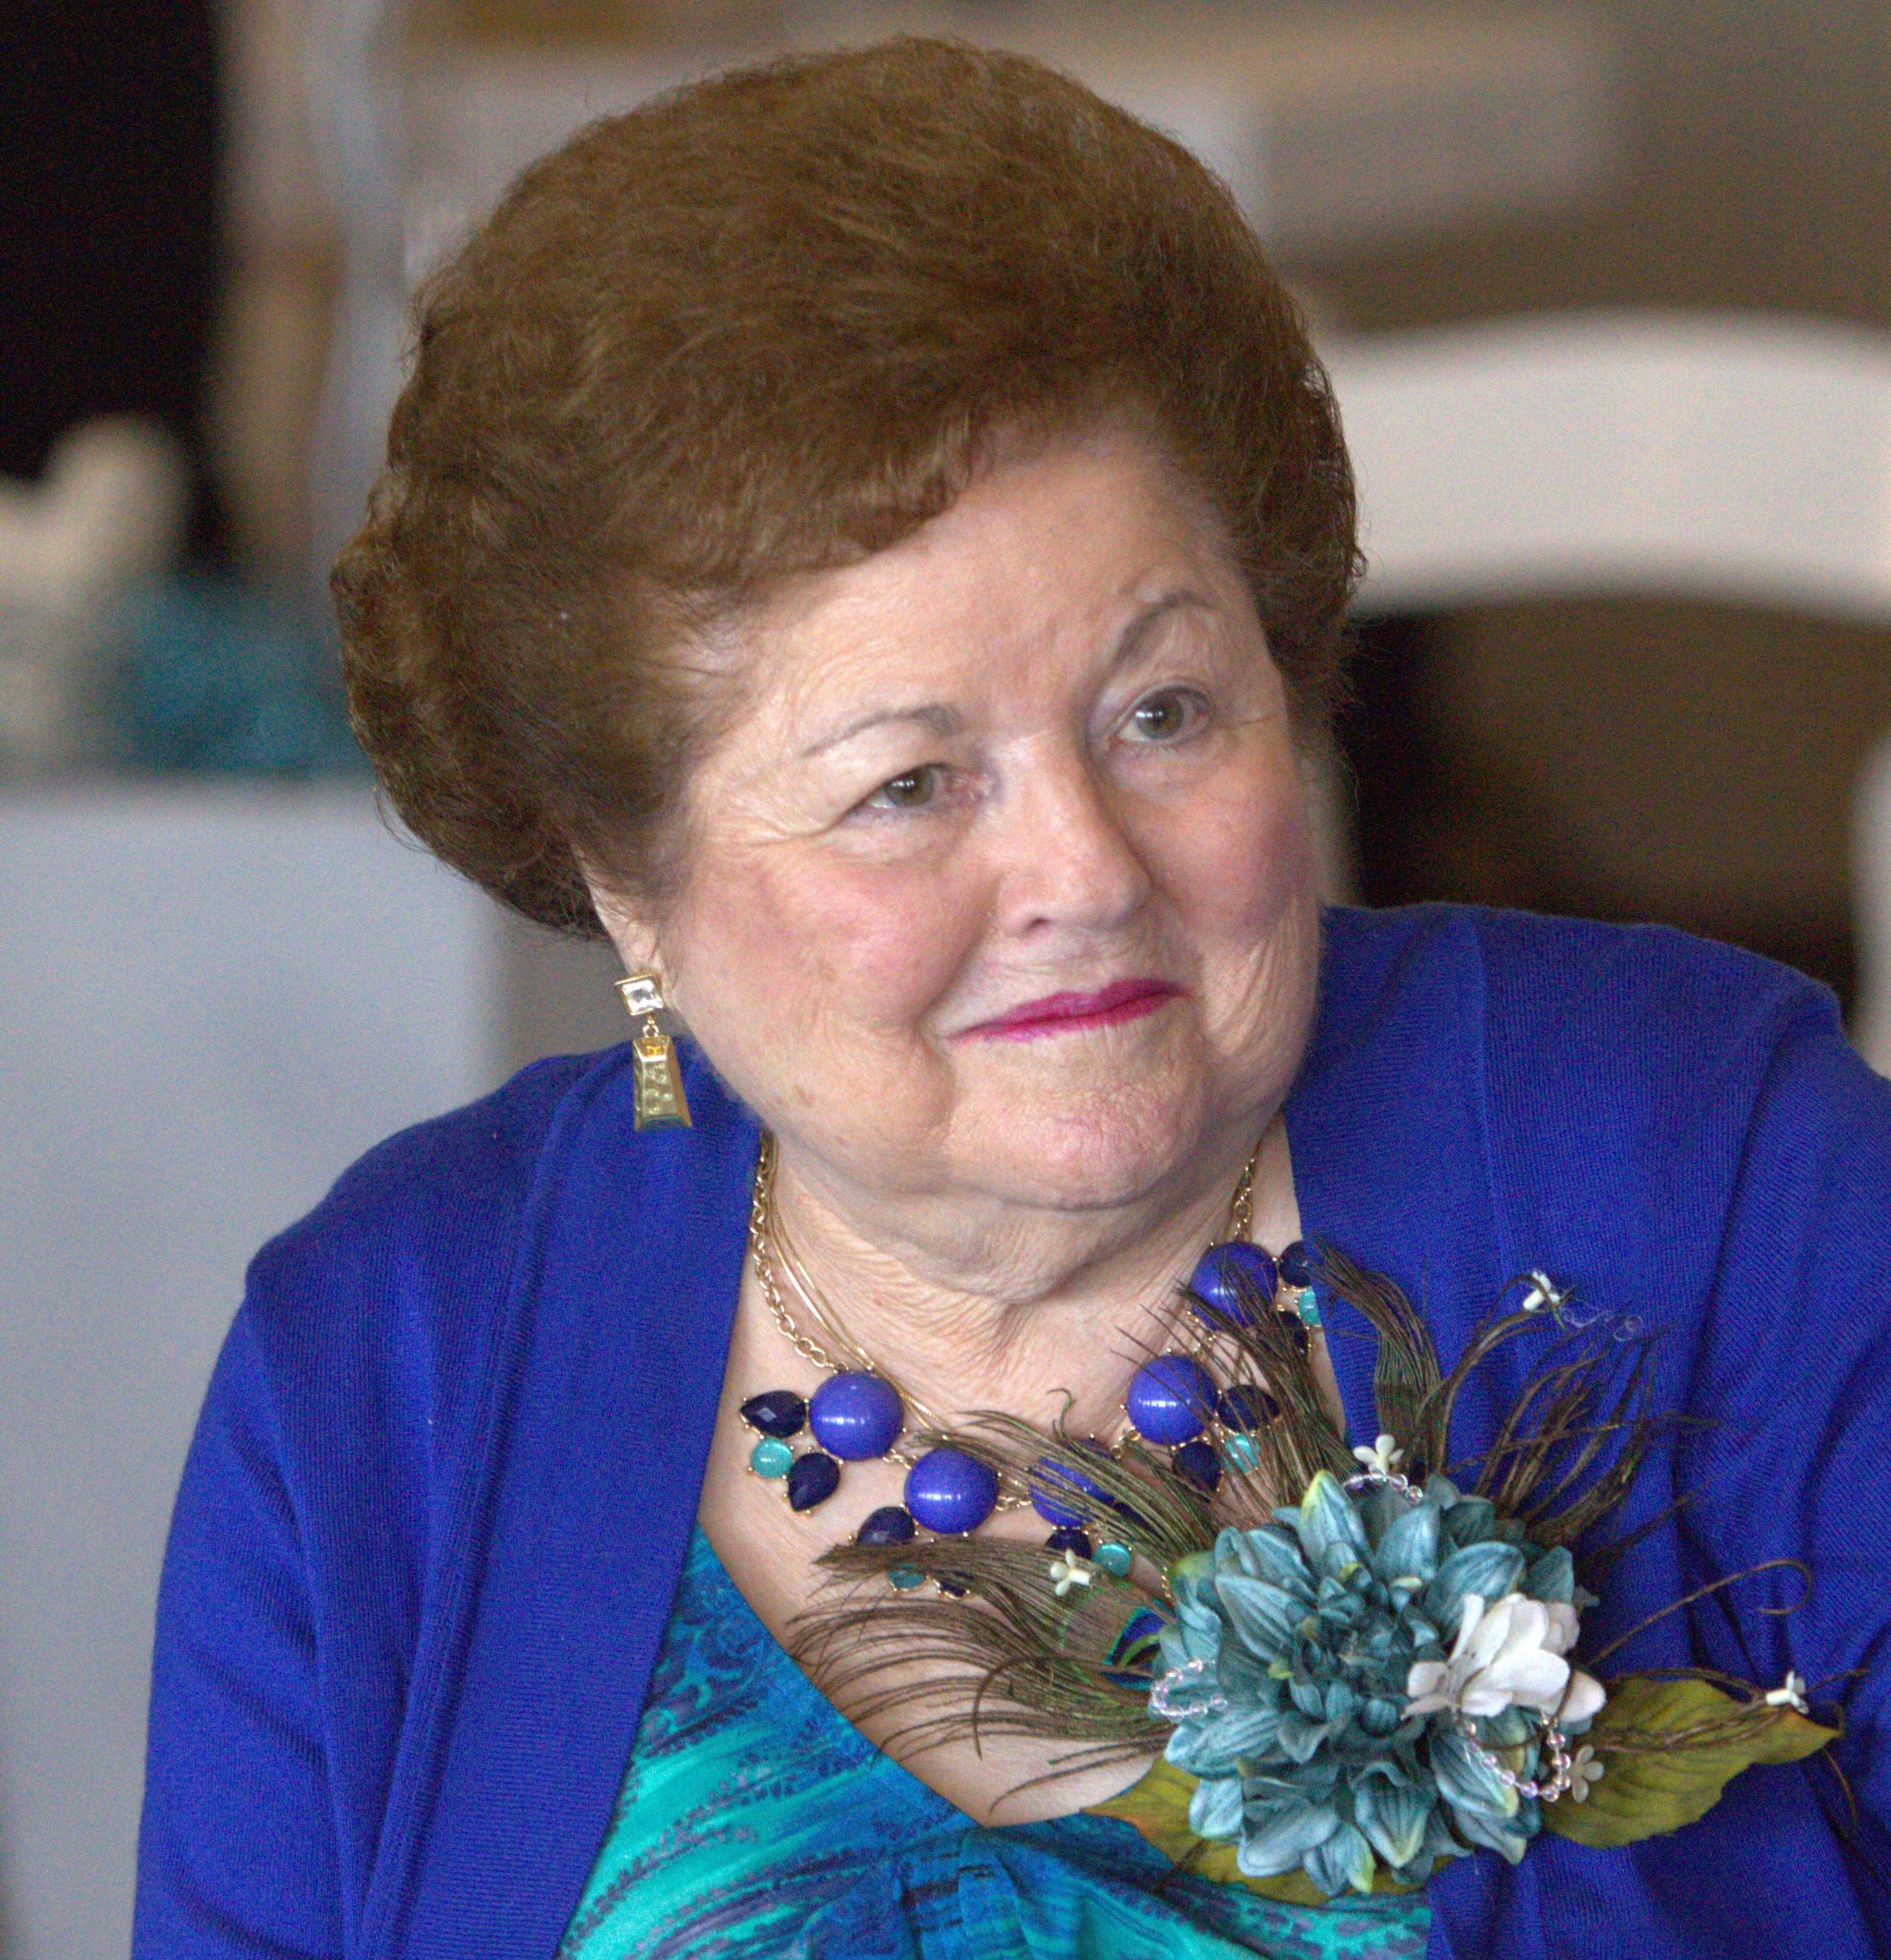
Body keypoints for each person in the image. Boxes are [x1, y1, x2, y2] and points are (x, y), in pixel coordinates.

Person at [133, 37, 1891, 1960]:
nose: (1086, 870)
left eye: (1163, 712)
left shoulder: (1716, 1171)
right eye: (909, 784)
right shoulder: (384, 1367)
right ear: (624, 877)